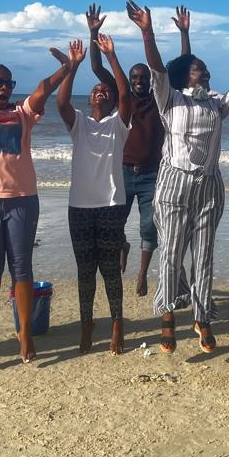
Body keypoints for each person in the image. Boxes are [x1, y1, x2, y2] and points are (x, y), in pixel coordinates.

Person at [126, 0, 229, 354]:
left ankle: (202, 317)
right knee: (173, 252)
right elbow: (158, 68)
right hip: (174, 184)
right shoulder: (169, 98)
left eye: (205, 69)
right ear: (184, 76)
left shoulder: (214, 103)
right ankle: (167, 316)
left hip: (209, 186)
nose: (204, 73)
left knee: (205, 253)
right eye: (198, 69)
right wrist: (147, 31)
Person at [0, 18, 71, 367]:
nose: (4, 87)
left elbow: (42, 89)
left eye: (8, 82)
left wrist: (66, 68)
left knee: (22, 267)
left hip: (22, 200)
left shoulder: (23, 113)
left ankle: (25, 333)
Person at [89, 4, 183, 298]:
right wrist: (93, 33)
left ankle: (142, 275)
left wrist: (184, 33)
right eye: (135, 78)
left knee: (148, 228)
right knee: (114, 225)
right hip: (122, 173)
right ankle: (123, 247)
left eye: (144, 77)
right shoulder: (123, 98)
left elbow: (180, 69)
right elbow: (96, 68)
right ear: (129, 81)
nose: (140, 81)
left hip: (152, 176)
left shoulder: (159, 100)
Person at [57, 30, 132, 356]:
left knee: (109, 270)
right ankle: (86, 324)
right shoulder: (80, 124)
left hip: (112, 204)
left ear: (112, 100)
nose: (100, 92)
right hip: (79, 207)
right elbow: (60, 102)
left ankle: (117, 323)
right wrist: (72, 67)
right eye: (95, 90)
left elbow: (126, 94)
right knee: (84, 270)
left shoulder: (118, 124)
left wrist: (112, 56)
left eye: (105, 90)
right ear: (88, 100)